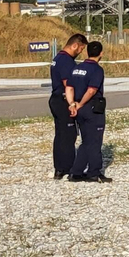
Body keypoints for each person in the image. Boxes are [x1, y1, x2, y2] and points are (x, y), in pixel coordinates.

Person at [66, 42, 110, 183]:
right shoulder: (97, 70)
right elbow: (91, 90)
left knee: (86, 141)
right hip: (92, 107)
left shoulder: (77, 69)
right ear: (101, 53)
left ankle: (76, 172)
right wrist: (81, 103)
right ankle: (94, 172)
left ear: (87, 53)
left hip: (79, 109)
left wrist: (72, 104)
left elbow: (69, 87)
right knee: (95, 141)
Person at [49, 33, 87, 180]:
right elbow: (68, 83)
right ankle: (69, 167)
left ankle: (59, 168)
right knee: (68, 134)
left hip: (55, 99)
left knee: (60, 134)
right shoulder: (66, 60)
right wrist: (73, 102)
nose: (81, 52)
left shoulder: (57, 58)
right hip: (63, 100)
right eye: (81, 48)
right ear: (75, 45)